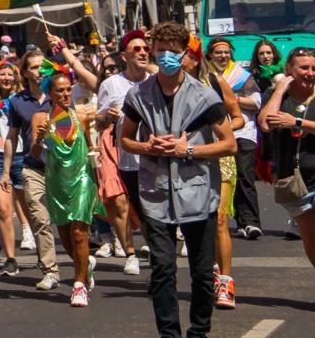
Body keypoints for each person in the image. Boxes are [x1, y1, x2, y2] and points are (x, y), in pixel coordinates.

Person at [119, 20, 236, 338]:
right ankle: (169, 334)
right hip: (155, 194)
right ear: (154, 52)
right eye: (161, 51)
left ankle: (199, 331)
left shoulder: (204, 95)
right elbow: (125, 140)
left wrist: (189, 150)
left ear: (185, 53)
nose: (167, 56)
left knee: (200, 272)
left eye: (173, 52)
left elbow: (229, 144)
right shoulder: (138, 94)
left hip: (198, 194)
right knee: (162, 270)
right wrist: (147, 146)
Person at [185, 39, 249, 308]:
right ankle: (207, 271)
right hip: (187, 160)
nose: (177, 59)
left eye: (184, 55)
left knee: (220, 218)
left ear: (196, 58)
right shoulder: (167, 87)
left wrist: (218, 130)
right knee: (198, 221)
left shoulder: (214, 81)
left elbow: (238, 117)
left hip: (219, 157)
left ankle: (225, 281)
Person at [30, 67, 101, 306]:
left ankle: (78, 285)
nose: (65, 94)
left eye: (68, 89)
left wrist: (97, 174)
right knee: (68, 239)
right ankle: (85, 266)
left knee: (80, 234)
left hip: (81, 179)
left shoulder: (80, 116)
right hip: (57, 182)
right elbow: (35, 152)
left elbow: (90, 147)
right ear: (49, 93)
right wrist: (40, 138)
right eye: (59, 90)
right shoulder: (42, 118)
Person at [5, 48, 62, 289]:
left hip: (62, 167)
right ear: (25, 73)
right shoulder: (17, 101)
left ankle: (82, 261)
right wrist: (6, 171)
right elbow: (12, 136)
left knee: (69, 223)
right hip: (33, 167)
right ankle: (50, 269)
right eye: (34, 67)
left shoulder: (60, 94)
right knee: (40, 219)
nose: (40, 71)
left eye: (43, 66)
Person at [96, 28, 151, 273]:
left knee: (148, 210)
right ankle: (130, 253)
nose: (143, 52)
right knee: (119, 204)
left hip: (151, 155)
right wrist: (108, 115)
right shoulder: (111, 84)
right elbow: (97, 120)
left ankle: (156, 251)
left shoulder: (155, 82)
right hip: (119, 152)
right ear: (124, 56)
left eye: (146, 49)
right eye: (136, 49)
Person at [257, 46, 315, 269]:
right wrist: (280, 89)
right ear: (290, 69)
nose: (310, 73)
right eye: (304, 68)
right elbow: (264, 123)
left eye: (313, 68)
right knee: (310, 239)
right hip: (293, 180)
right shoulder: (275, 96)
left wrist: (297, 123)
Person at [205, 37, 263, 240]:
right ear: (210, 55)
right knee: (224, 178)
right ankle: (228, 219)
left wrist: (234, 97)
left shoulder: (241, 76)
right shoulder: (204, 76)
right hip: (214, 134)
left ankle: (251, 222)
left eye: (226, 52)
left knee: (245, 174)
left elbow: (256, 101)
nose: (223, 56)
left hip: (242, 131)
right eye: (218, 52)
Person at [0, 61, 21, 275]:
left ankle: (45, 259)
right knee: (4, 208)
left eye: (10, 74)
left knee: (34, 211)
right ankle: (11, 258)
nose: (7, 78)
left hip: (23, 155)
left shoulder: (23, 98)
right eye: (2, 74)